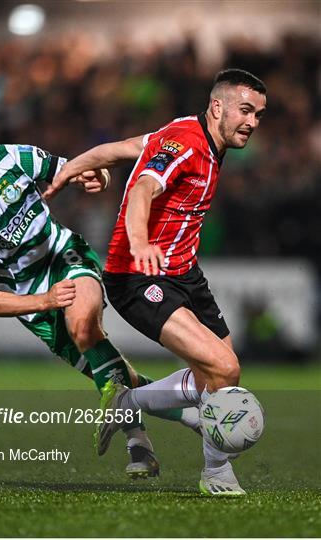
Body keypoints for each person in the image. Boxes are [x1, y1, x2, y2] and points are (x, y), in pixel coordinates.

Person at [0, 119, 197, 479]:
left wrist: (100, 178)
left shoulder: (10, 158)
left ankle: (138, 442)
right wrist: (45, 301)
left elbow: (72, 169)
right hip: (30, 298)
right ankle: (187, 419)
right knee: (110, 373)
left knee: (83, 328)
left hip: (64, 256)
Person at [45, 68, 267, 495]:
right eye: (245, 111)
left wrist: (68, 171)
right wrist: (140, 241)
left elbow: (122, 149)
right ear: (217, 106)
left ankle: (126, 402)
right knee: (224, 367)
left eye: (258, 115)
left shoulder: (194, 135)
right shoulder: (186, 142)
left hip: (184, 272)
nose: (252, 123)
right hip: (138, 275)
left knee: (219, 380)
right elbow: (144, 188)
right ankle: (216, 475)